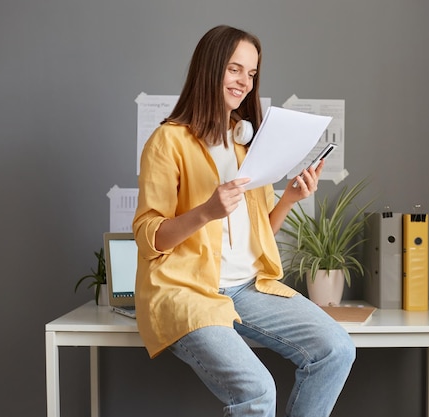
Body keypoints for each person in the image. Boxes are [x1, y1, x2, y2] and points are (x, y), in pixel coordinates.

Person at [133, 25, 355, 417]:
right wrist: (206, 212)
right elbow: (149, 236)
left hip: (249, 289)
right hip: (189, 292)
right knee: (257, 391)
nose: (245, 83)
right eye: (235, 70)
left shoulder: (247, 145)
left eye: (251, 74)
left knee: (337, 349)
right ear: (210, 68)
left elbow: (259, 239)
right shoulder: (168, 141)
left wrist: (289, 199)